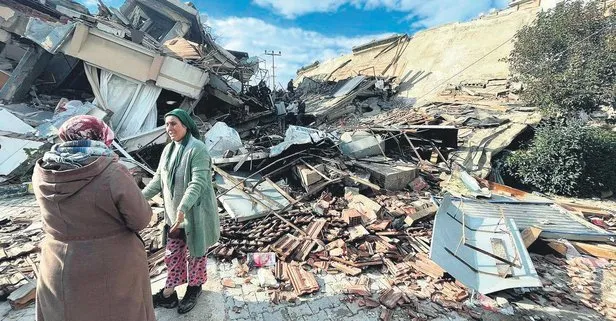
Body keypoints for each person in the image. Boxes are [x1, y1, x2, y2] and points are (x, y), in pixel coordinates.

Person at [32, 115, 155, 321]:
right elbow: (141, 219)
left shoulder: (42, 171)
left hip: (57, 262)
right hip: (112, 266)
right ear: (100, 136)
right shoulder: (111, 172)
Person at [142, 109, 220, 314]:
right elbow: (158, 180)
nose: (169, 128)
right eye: (166, 124)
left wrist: (183, 208)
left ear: (185, 125)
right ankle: (169, 294)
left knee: (196, 254)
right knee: (173, 255)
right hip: (173, 217)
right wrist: (138, 198)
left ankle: (194, 289)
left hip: (193, 215)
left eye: (173, 123)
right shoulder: (168, 150)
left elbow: (198, 183)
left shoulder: (197, 149)